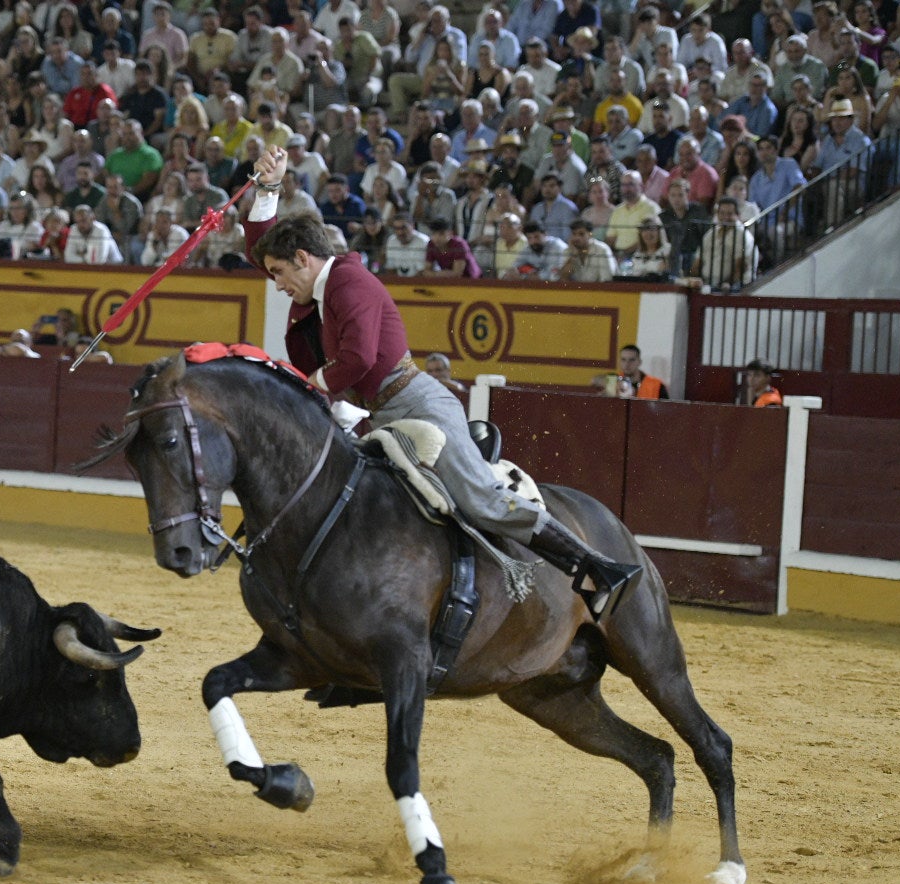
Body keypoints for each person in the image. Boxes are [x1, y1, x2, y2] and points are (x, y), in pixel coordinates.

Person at [242, 144, 641, 619]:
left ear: (304, 259)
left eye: (280, 274)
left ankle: (596, 566)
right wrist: (268, 187)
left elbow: (360, 357)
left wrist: (312, 383)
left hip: (416, 404)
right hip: (382, 411)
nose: (277, 284)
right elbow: (262, 248)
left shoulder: (348, 283)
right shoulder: (321, 285)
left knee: (481, 498)